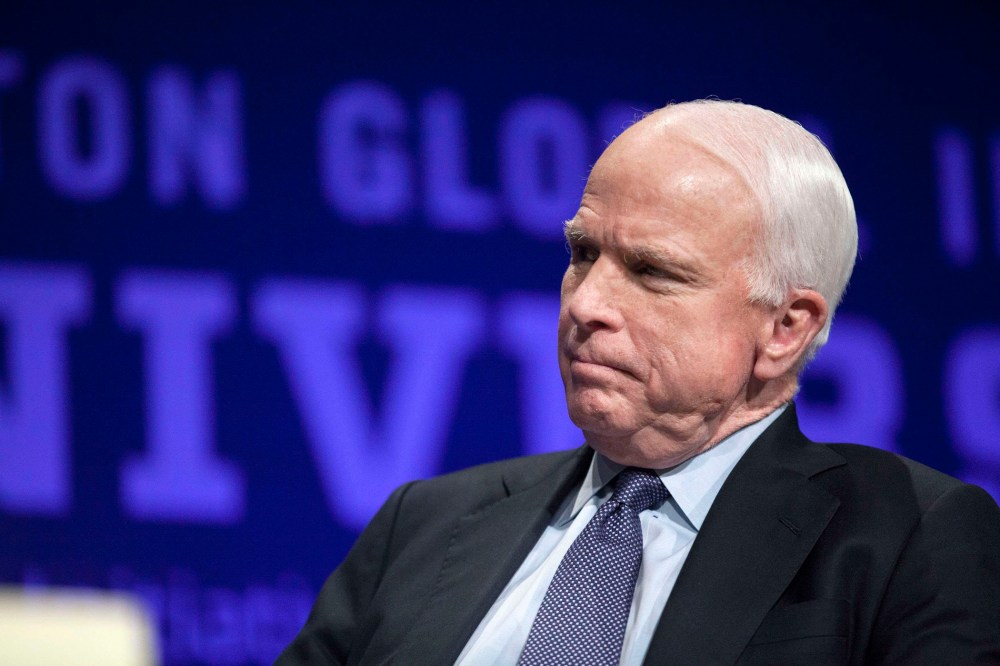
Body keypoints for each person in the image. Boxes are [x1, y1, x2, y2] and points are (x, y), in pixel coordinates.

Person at [276, 100, 1000, 665]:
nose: (586, 304)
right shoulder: (425, 524)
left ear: (786, 328)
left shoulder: (904, 535)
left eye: (654, 272)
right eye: (582, 253)